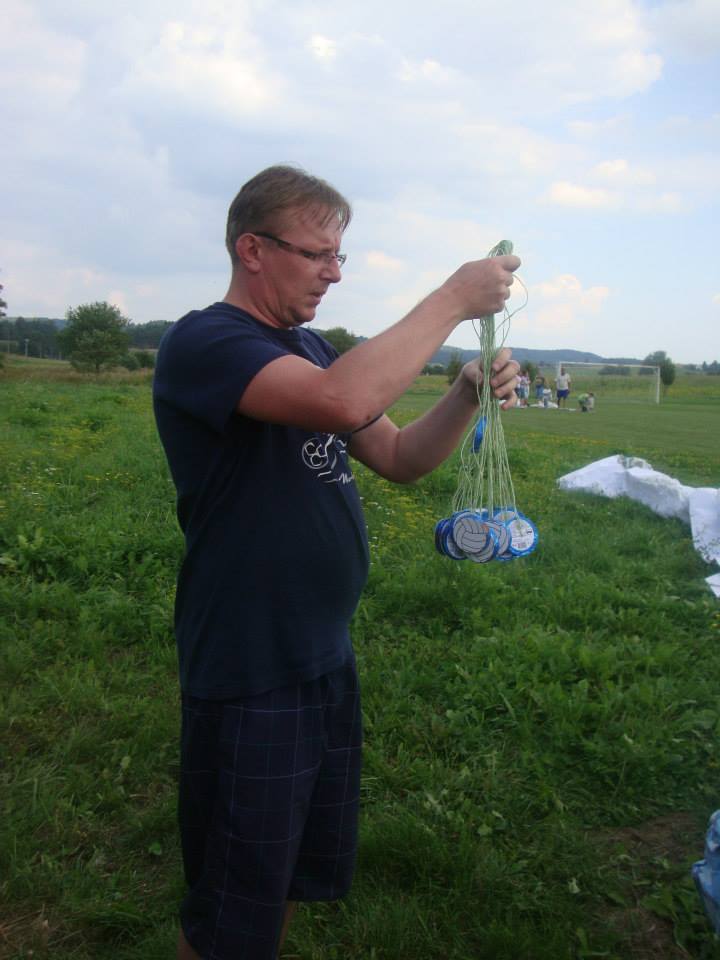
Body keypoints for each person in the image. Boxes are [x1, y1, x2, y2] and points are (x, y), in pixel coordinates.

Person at [153, 164, 520, 960]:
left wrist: (463, 392)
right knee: (231, 905)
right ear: (252, 249)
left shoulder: (312, 347)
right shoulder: (207, 341)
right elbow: (341, 402)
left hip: (321, 655)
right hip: (251, 664)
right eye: (318, 253)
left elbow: (398, 456)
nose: (334, 272)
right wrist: (453, 298)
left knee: (281, 878)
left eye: (339, 255)